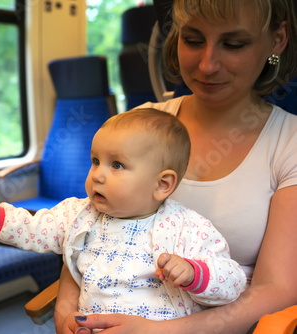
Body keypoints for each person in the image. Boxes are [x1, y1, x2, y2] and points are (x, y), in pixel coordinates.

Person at [54, 0, 297, 333]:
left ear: (277, 39)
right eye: (193, 40)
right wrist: (67, 313)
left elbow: (275, 290)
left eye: (233, 44)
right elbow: (89, 231)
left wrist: (160, 331)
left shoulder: (289, 143)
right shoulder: (138, 126)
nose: (208, 65)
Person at [0, 109, 247, 323]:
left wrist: (194, 273)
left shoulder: (188, 229)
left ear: (162, 184)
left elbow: (233, 282)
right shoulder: (79, 214)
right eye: (95, 161)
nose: (97, 175)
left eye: (117, 165)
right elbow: (34, 227)